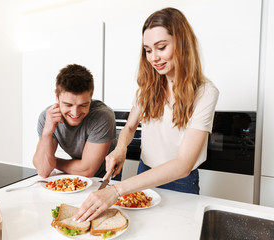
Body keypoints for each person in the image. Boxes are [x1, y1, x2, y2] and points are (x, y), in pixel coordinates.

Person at [74, 7, 219, 222]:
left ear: (182, 43)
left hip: (182, 182)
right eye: (148, 50)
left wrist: (115, 191)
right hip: (144, 172)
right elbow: (130, 127)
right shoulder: (148, 88)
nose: (153, 58)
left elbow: (183, 164)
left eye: (161, 47)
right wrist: (121, 148)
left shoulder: (205, 93)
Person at [32, 64, 118, 179]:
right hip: (72, 175)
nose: (75, 113)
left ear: (90, 98)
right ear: (56, 96)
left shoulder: (102, 117)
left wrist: (52, 161)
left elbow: (87, 170)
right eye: (68, 105)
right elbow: (43, 171)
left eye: (83, 105)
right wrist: (47, 132)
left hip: (104, 177)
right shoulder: (47, 118)